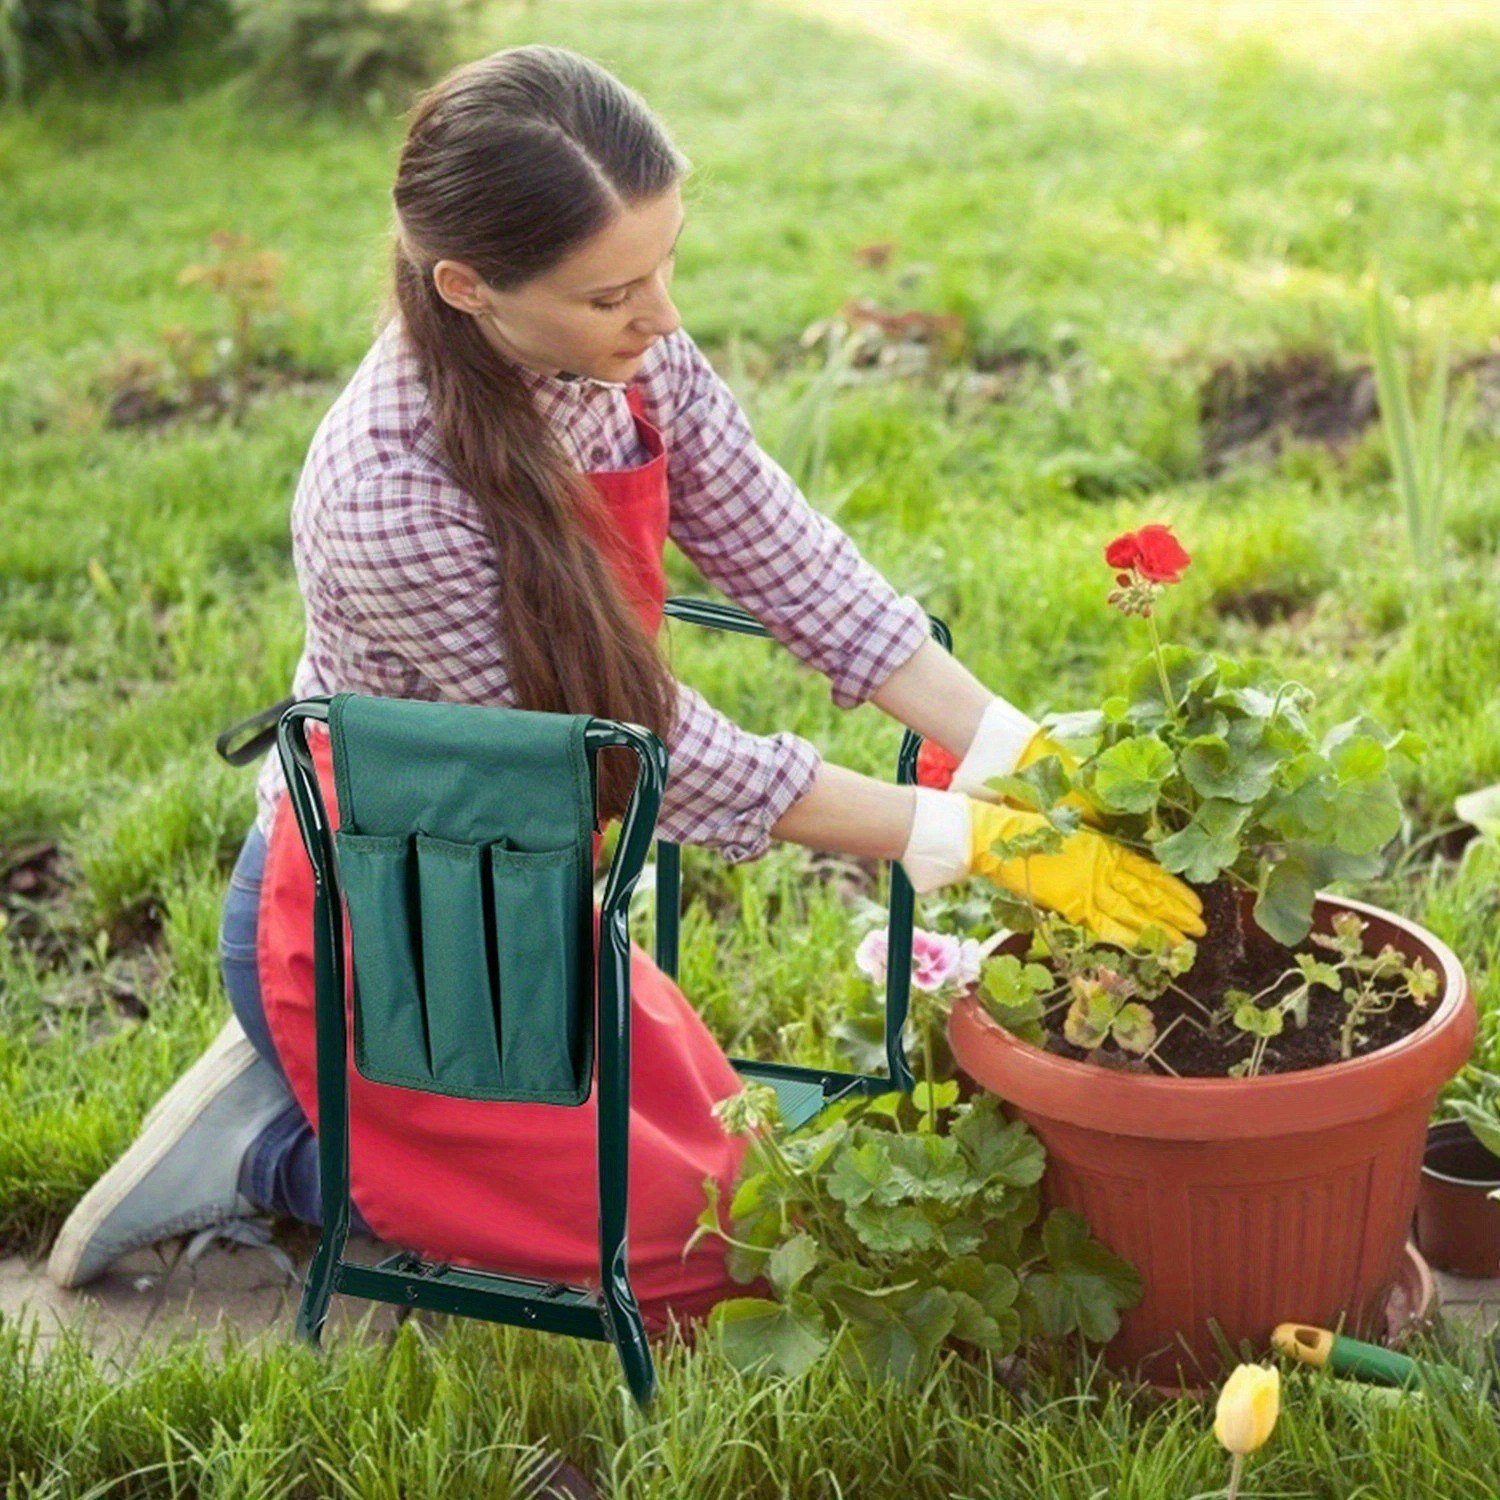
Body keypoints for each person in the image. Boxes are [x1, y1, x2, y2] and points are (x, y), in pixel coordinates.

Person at [47, 44, 1202, 1321]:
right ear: (466, 287)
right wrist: (961, 838)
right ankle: (268, 1149)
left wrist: (1013, 749)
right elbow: (648, 756)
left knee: (747, 1193)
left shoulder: (623, 359)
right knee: (690, 1254)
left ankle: (325, 1106)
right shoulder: (389, 491)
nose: (661, 317)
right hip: (393, 918)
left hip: (534, 879)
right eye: (612, 294)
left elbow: (787, 553)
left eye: (665, 266)